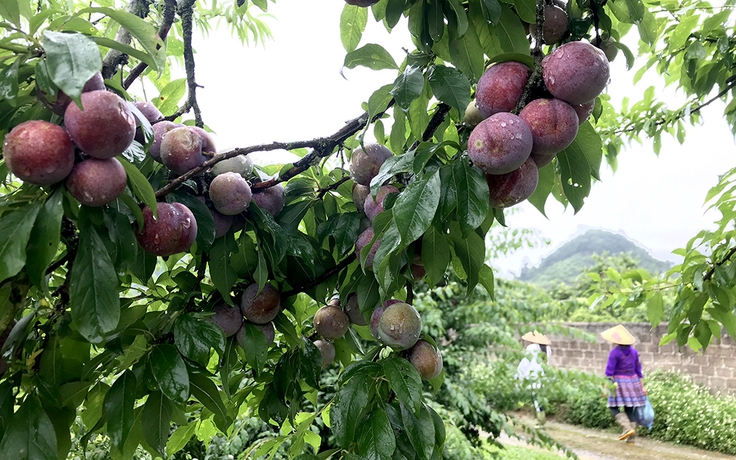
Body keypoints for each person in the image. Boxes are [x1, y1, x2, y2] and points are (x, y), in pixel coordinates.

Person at [601, 324, 646, 444]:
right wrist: (642, 386)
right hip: (633, 382)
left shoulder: (614, 353)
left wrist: (606, 388)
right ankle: (631, 439)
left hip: (619, 383)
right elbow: (639, 370)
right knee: (629, 409)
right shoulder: (634, 352)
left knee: (613, 407)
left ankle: (627, 428)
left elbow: (609, 372)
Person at [516, 330, 552, 425]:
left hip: (533, 376)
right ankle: (541, 419)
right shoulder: (547, 348)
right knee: (540, 398)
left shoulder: (531, 348)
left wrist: (519, 375)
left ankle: (541, 420)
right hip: (543, 376)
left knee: (535, 398)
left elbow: (525, 362)